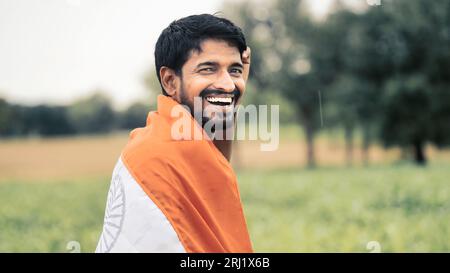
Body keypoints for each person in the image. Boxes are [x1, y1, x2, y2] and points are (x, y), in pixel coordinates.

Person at [95, 14, 253, 253]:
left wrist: (233, 87)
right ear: (170, 81)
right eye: (208, 69)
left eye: (234, 71)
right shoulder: (156, 153)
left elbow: (218, 151)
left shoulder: (174, 134)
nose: (228, 84)